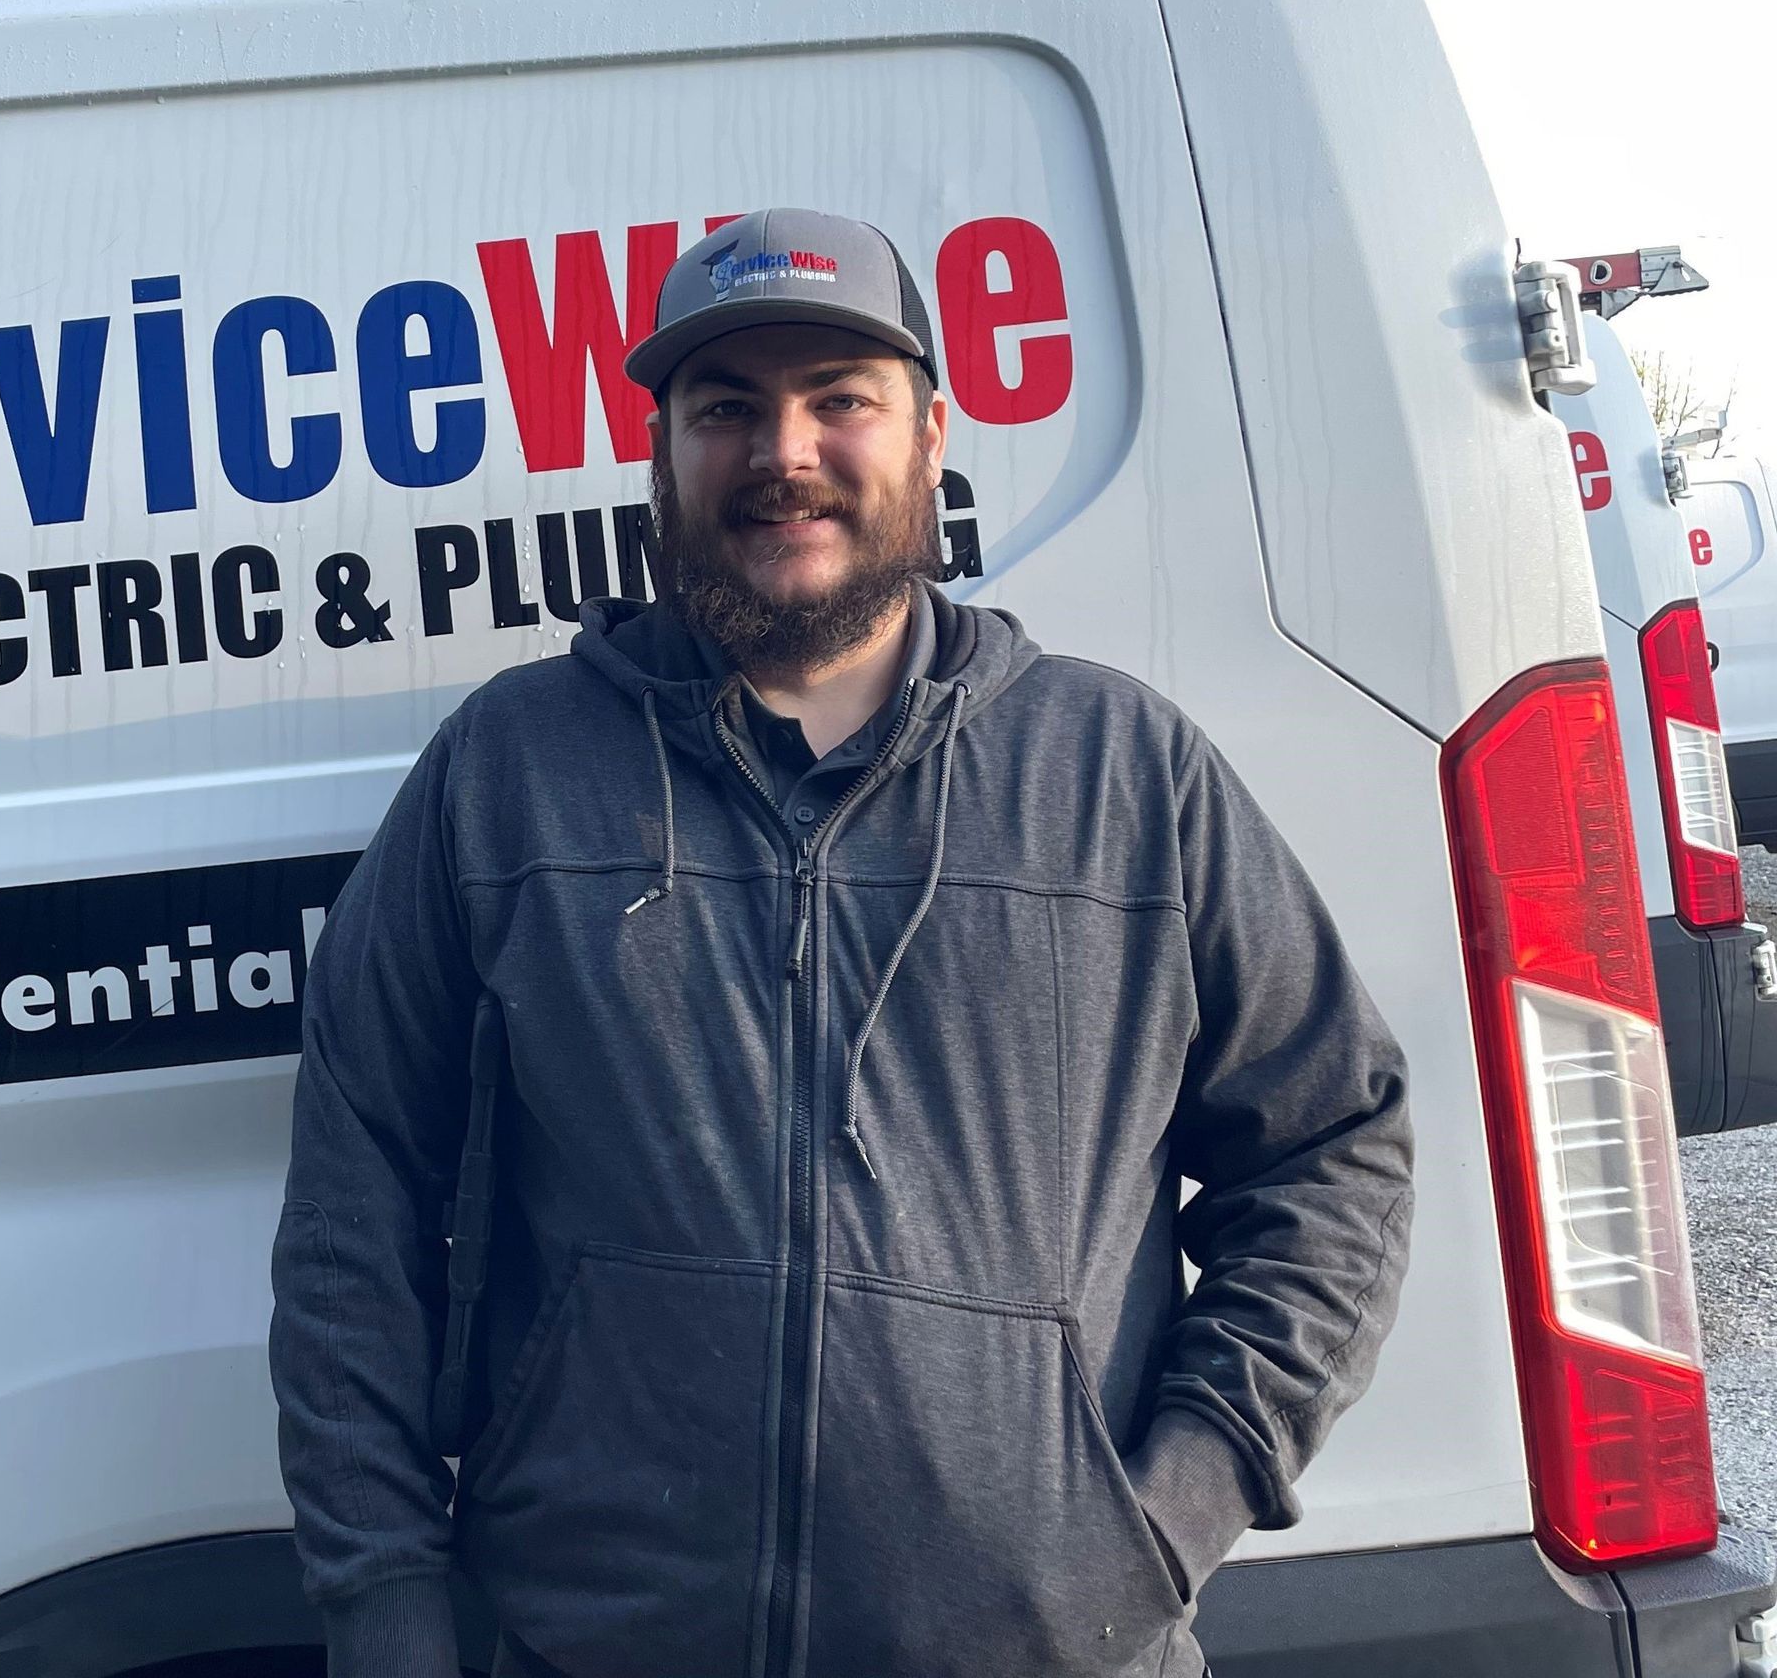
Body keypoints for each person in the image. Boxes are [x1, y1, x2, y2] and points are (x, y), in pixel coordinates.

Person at [269, 208, 1415, 1678]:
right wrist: (387, 1607)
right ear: (664, 452)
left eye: (840, 400)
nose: (783, 450)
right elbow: (352, 1203)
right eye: (727, 407)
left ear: (932, 433)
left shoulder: (1118, 770)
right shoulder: (511, 773)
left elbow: (1337, 1144)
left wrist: (1169, 1517)